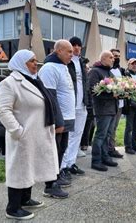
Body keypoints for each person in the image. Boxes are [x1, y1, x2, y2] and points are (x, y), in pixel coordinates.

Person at [0, 49, 68, 220]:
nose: (35, 63)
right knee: (19, 169)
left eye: (36, 60)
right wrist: (17, 131)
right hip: (23, 134)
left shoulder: (35, 81)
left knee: (29, 167)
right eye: (31, 61)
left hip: (38, 132)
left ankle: (25, 199)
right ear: (21, 63)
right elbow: (3, 110)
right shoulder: (10, 82)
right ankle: (13, 208)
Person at [38, 39, 76, 187]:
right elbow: (50, 97)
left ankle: (57, 175)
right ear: (59, 50)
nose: (72, 55)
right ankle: (50, 182)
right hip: (58, 119)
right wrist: (57, 121)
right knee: (53, 150)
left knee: (61, 148)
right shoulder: (49, 68)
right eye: (69, 51)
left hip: (67, 117)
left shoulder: (63, 66)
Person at [60, 37, 91, 178]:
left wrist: (87, 101)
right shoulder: (66, 63)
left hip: (82, 104)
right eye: (74, 45)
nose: (77, 48)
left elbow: (85, 84)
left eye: (79, 45)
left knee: (77, 135)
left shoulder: (83, 62)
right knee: (68, 136)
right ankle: (63, 166)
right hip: (69, 105)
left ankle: (71, 163)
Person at [88, 50, 120, 171]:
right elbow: (92, 91)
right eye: (111, 57)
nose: (113, 59)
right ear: (103, 59)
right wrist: (112, 95)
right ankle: (96, 160)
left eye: (113, 58)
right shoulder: (95, 71)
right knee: (101, 135)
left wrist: (122, 93)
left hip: (112, 109)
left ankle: (105, 157)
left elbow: (115, 89)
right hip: (102, 109)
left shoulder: (110, 73)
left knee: (108, 135)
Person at [122, 58, 136, 154]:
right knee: (129, 127)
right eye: (132, 64)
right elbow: (126, 89)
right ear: (128, 65)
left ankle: (135, 145)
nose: (134, 65)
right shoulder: (126, 75)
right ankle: (128, 146)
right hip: (131, 105)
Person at [106, 48, 125, 158]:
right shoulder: (108, 70)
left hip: (120, 104)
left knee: (114, 127)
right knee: (109, 128)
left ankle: (111, 148)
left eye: (118, 56)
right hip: (110, 104)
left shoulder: (120, 70)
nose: (116, 58)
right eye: (114, 56)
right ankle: (108, 149)